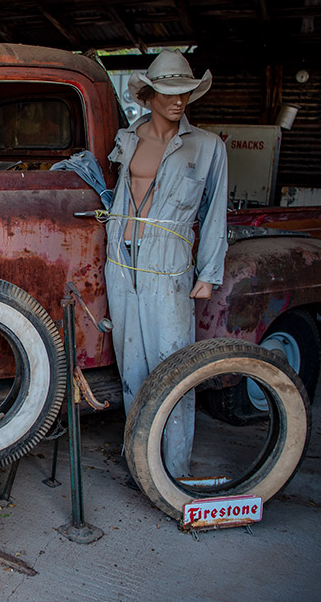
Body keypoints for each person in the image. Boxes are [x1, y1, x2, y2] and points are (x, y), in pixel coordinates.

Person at [105, 50, 228, 477]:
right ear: (150, 95)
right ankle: (140, 464)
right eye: (170, 93)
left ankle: (172, 470)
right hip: (120, 261)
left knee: (173, 365)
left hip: (169, 261)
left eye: (185, 93)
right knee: (132, 364)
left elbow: (215, 214)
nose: (179, 101)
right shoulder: (127, 139)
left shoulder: (208, 147)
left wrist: (209, 275)